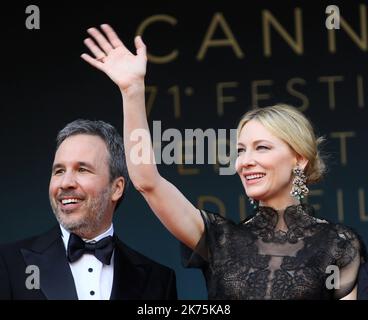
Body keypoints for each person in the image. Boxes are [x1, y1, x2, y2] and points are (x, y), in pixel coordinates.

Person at [81, 24, 363, 299]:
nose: (245, 161)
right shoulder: (220, 238)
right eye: (241, 151)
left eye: (261, 148)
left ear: (299, 159)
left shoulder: (339, 243)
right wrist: (132, 91)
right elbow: (146, 182)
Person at [0, 120, 177, 300]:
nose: (66, 183)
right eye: (59, 171)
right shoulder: (8, 263)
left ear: (116, 188)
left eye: (82, 169)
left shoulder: (158, 280)